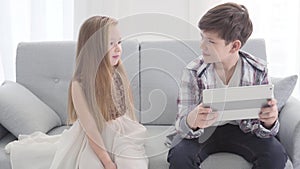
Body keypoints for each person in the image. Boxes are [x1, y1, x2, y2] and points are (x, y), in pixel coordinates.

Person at [5, 16, 148, 169]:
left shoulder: (118, 72)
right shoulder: (79, 84)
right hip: (94, 136)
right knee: (91, 164)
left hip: (121, 131)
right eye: (111, 43)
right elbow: (91, 128)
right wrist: (107, 162)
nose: (118, 48)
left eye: (119, 42)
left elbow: (126, 110)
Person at [167, 3, 287, 169]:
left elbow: (266, 131)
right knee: (179, 156)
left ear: (235, 46)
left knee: (276, 155)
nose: (202, 46)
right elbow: (182, 126)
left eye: (210, 41)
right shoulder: (193, 71)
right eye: (202, 37)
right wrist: (191, 120)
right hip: (204, 133)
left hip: (243, 131)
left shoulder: (258, 70)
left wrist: (270, 122)